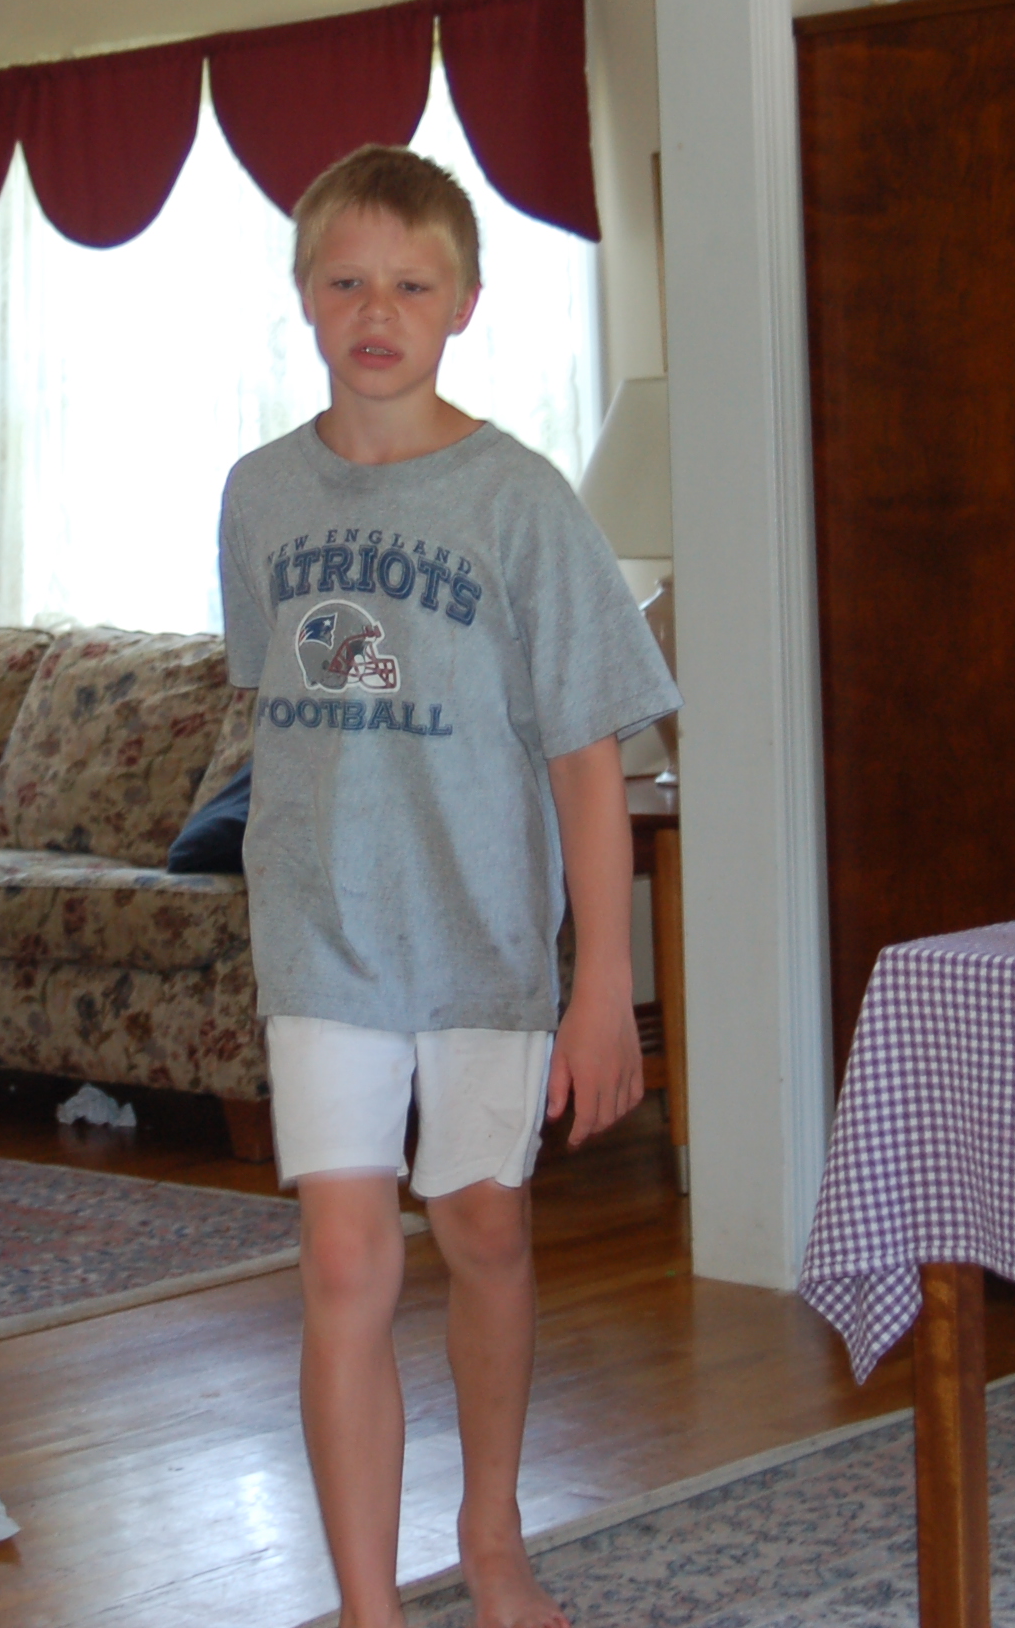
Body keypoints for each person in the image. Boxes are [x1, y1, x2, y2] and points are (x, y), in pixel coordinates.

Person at [217, 146, 679, 1628]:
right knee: (344, 1260)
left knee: (483, 1232)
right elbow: (281, 704)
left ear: (463, 303)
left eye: (411, 285)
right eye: (347, 281)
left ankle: (491, 1536)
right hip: (321, 936)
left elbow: (588, 760)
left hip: (482, 939)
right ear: (303, 295)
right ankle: (367, 1609)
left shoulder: (519, 499)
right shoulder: (259, 494)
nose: (378, 311)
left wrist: (602, 984)